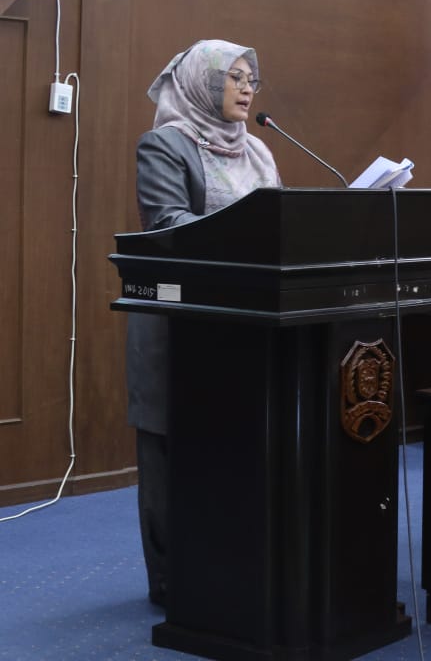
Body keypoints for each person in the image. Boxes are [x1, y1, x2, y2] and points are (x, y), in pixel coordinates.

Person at [125, 40, 281, 606]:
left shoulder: (260, 154)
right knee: (172, 456)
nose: (245, 88)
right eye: (233, 77)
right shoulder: (164, 146)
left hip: (249, 324)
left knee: (237, 452)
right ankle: (172, 582)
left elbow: (281, 224)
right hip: (180, 326)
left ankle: (236, 563)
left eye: (250, 79)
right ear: (201, 83)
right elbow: (170, 225)